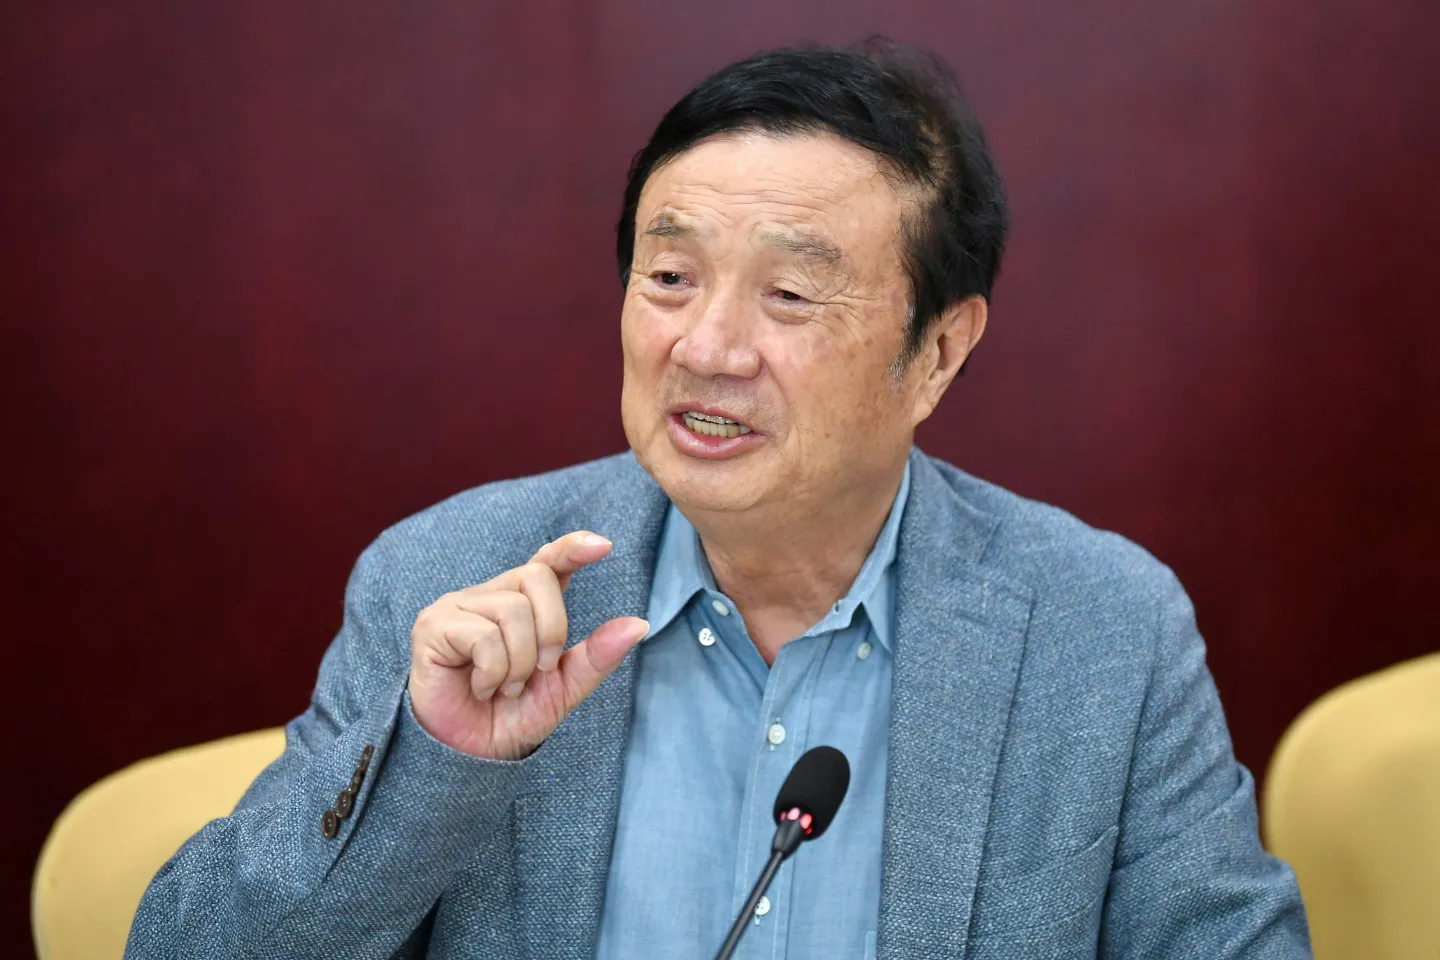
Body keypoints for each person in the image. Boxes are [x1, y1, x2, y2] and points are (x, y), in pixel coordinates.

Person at [126, 40, 1311, 960]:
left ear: (940, 352)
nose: (705, 347)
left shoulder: (1101, 629)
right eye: (670, 276)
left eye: (790, 295)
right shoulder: (449, 576)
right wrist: (430, 767)